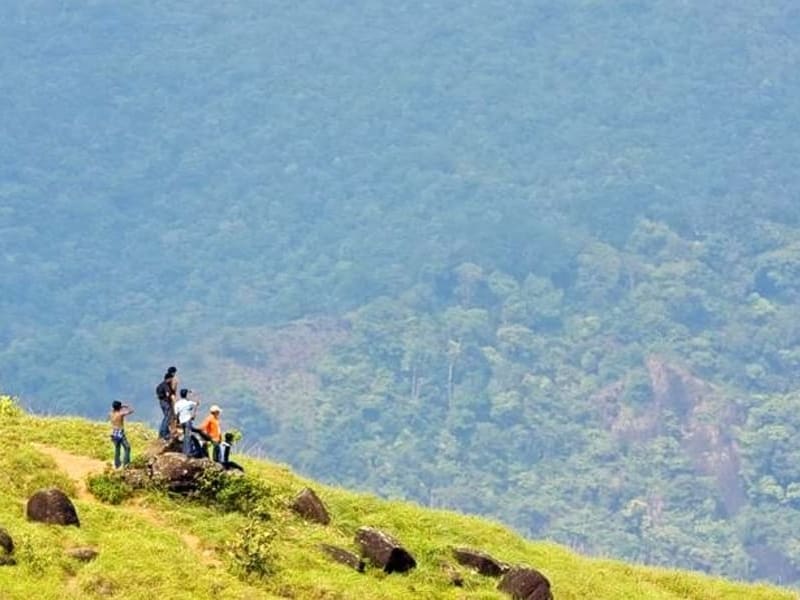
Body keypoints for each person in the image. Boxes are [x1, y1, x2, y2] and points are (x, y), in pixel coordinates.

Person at [109, 400, 134, 469]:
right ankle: (126, 463)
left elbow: (113, 409)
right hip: (120, 432)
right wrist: (126, 406)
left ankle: (117, 464)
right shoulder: (120, 414)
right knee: (127, 448)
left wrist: (119, 407)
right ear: (119, 407)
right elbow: (131, 410)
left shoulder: (111, 414)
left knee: (117, 449)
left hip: (113, 433)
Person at [174, 388, 199, 456]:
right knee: (188, 436)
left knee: (185, 435)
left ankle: (184, 450)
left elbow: (176, 414)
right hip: (188, 420)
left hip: (182, 421)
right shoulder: (189, 403)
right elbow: (197, 403)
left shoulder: (177, 404)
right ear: (186, 395)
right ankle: (187, 452)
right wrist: (194, 394)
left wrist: (177, 423)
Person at [155, 371, 176, 440]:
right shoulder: (166, 385)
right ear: (169, 379)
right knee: (167, 418)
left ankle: (164, 432)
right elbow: (168, 394)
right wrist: (172, 400)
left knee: (166, 417)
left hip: (161, 402)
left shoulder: (160, 385)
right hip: (165, 402)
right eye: (171, 379)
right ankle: (163, 434)